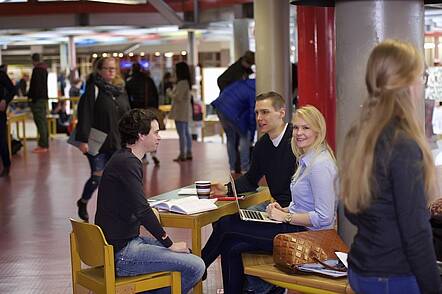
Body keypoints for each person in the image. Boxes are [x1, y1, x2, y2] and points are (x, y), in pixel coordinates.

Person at [340, 40, 442, 294]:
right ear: (406, 83)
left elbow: (351, 210)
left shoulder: (360, 134)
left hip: (361, 268)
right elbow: (416, 232)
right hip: (393, 277)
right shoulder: (403, 143)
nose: (422, 84)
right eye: (421, 77)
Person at [202, 105, 338, 294]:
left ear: (319, 130)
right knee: (231, 245)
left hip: (308, 239)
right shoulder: (306, 160)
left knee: (226, 224)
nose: (299, 133)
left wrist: (286, 218)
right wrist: (285, 210)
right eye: (297, 128)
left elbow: (324, 217)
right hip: (297, 229)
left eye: (306, 128)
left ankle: (198, 267)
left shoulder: (320, 166)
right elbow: (303, 204)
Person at [95, 109, 205, 293]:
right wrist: (169, 243)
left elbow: (130, 204)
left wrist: (145, 213)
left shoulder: (123, 158)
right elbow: (142, 209)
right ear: (141, 135)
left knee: (189, 255)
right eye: (155, 132)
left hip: (121, 243)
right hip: (122, 253)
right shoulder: (128, 163)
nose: (159, 137)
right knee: (196, 266)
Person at [211, 91, 296, 209]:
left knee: (231, 225)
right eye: (257, 113)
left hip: (296, 211)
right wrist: (227, 189)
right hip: (276, 207)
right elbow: (251, 179)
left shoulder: (297, 139)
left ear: (282, 113)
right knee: (222, 221)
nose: (259, 118)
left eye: (265, 112)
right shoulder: (262, 145)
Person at [75, 57, 130, 222]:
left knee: (117, 179)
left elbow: (127, 114)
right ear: (99, 70)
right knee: (97, 177)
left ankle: (114, 212)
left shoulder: (120, 90)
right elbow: (85, 114)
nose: (111, 71)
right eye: (107, 68)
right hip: (96, 141)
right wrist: (82, 140)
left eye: (113, 68)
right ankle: (83, 202)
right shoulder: (94, 89)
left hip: (117, 140)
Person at [211, 79, 256, 174]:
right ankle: (245, 168)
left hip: (219, 107)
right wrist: (251, 135)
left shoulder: (242, 82)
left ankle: (232, 168)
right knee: (245, 136)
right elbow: (253, 114)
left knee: (230, 138)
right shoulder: (253, 92)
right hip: (231, 112)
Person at [126, 63, 160, 166]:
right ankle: (154, 154)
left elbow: (128, 98)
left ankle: (143, 157)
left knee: (141, 134)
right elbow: (155, 94)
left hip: (137, 112)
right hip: (149, 110)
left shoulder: (130, 81)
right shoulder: (148, 80)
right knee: (153, 132)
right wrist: (155, 107)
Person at [168, 62, 193, 162]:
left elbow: (178, 97)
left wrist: (169, 92)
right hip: (184, 111)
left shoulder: (182, 83)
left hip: (180, 111)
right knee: (186, 132)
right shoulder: (186, 82)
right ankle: (188, 152)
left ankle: (183, 154)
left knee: (182, 133)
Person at [28, 53, 49, 153]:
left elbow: (35, 87)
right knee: (43, 122)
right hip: (44, 99)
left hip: (37, 100)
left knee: (40, 122)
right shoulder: (44, 70)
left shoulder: (36, 70)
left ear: (33, 60)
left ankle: (43, 145)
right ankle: (45, 144)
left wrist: (32, 99)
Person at [0, 65, 17, 177]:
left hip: (0, 113)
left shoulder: (1, 75)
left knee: (1, 140)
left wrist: (5, 100)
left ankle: (6, 165)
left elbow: (12, 89)